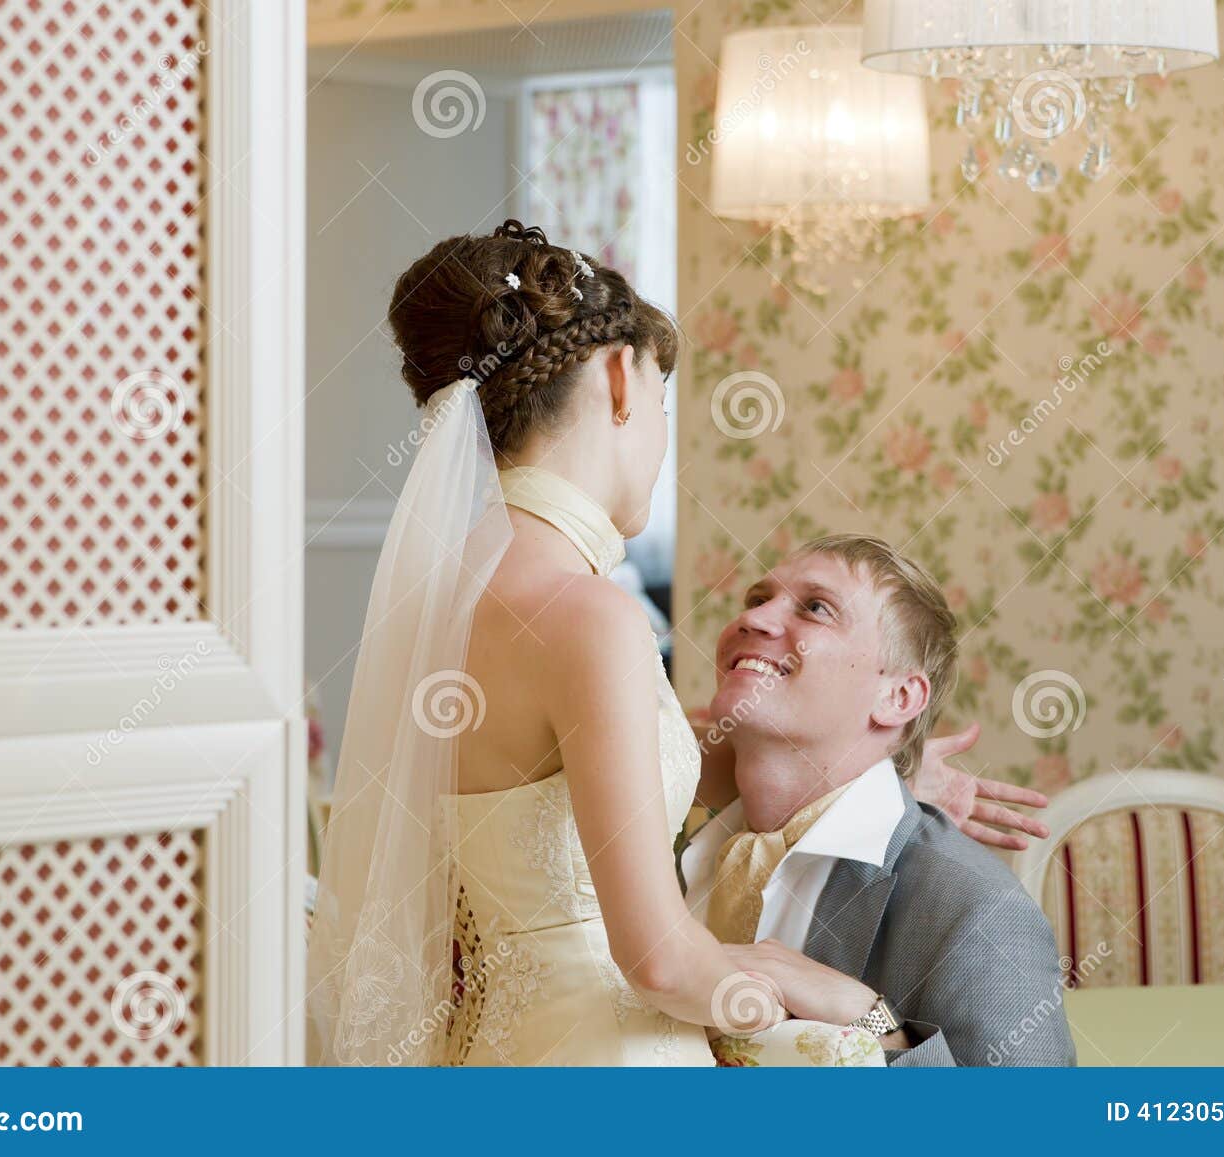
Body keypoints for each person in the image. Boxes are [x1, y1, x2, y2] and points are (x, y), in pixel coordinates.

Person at [307, 221, 1045, 1067]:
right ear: (622, 379)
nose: (662, 441)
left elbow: (573, 780)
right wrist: (850, 1020)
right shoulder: (590, 615)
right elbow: (659, 960)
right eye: (662, 404)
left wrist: (882, 776)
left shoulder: (443, 603)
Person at [681, 535, 1077, 1066]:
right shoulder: (656, 844)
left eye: (815, 608)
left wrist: (872, 1024)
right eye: (757, 599)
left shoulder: (977, 909)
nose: (753, 619)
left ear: (897, 697)